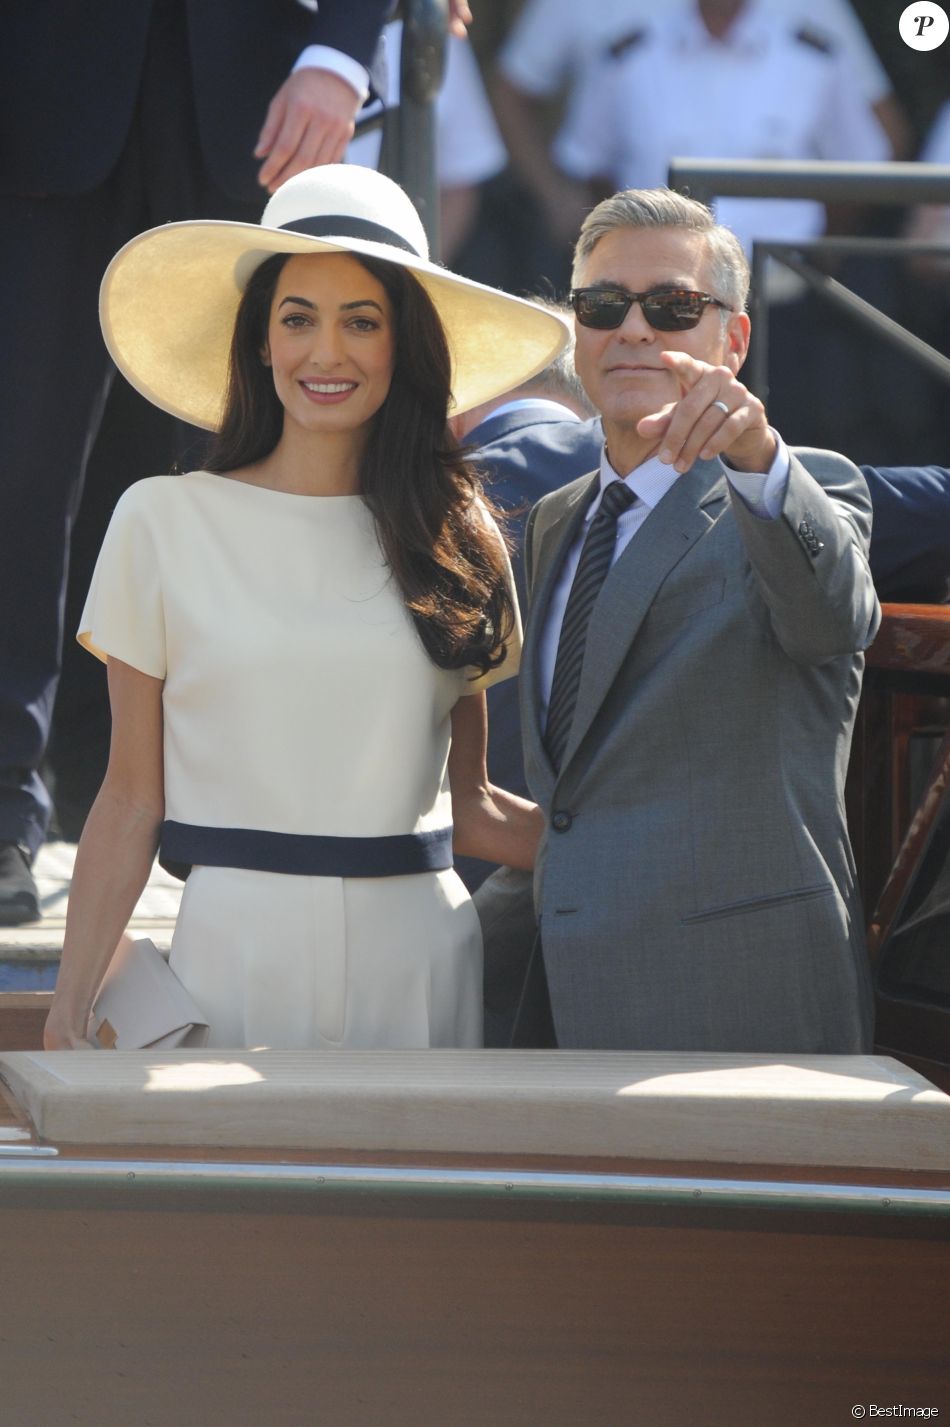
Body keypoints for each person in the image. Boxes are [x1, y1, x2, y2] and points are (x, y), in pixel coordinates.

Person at [43, 163, 569, 1052]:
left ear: (403, 343)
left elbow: (473, 805)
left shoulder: (460, 530)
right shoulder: (162, 520)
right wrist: (66, 1007)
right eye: (299, 319)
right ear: (259, 340)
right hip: (230, 957)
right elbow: (131, 799)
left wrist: (665, 863)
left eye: (361, 321)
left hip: (425, 961)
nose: (327, 353)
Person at [0, 2, 400, 926]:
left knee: (247, 455)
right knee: (17, 461)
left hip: (254, 90)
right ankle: (6, 804)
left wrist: (343, 53)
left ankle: (232, 800)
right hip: (37, 94)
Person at [479, 185, 880, 1053]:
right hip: (554, 1007)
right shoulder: (555, 520)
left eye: (671, 306)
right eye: (603, 304)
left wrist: (759, 460)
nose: (633, 329)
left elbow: (832, 619)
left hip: (739, 1010)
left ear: (731, 338)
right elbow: (574, 799)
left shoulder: (794, 488)